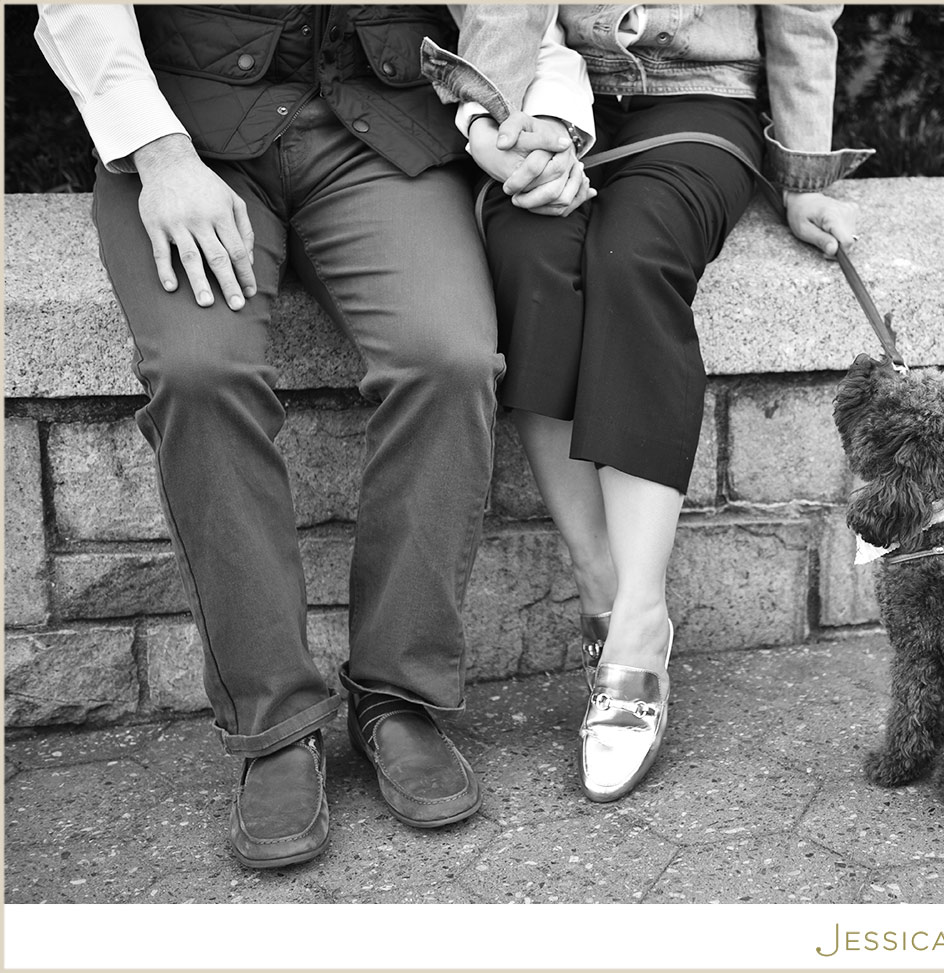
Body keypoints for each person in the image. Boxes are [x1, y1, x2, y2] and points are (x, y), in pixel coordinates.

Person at [35, 3, 592, 868]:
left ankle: (397, 695)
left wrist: (508, 116)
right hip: (190, 136)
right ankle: (274, 724)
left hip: (380, 133)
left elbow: (506, 10)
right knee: (199, 372)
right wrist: (161, 156)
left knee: (448, 359)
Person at [464, 4, 872, 802]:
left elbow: (799, 15)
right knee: (528, 257)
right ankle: (600, 587)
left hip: (701, 100)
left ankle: (641, 621)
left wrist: (803, 176)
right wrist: (510, 127)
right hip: (552, 94)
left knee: (633, 256)